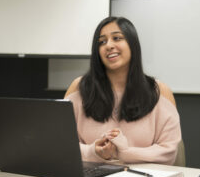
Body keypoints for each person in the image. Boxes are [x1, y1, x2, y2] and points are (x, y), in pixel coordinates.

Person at [64, 16, 182, 165]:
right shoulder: (78, 88)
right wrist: (95, 151)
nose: (109, 45)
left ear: (132, 44)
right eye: (102, 42)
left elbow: (168, 152)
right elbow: (61, 144)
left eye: (117, 38)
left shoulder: (159, 91)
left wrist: (124, 152)